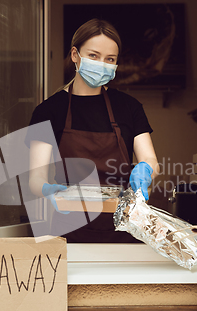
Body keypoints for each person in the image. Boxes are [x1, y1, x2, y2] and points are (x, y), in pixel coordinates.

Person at [26, 18, 159, 243]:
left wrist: (146, 171)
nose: (101, 64)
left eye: (110, 59)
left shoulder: (129, 107)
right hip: (69, 229)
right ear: (75, 55)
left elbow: (150, 159)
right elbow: (35, 178)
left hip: (124, 226)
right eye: (93, 56)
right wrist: (49, 189)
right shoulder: (48, 111)